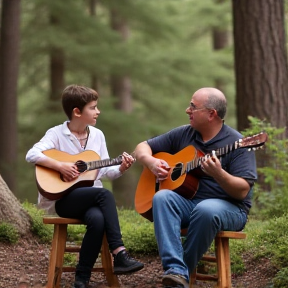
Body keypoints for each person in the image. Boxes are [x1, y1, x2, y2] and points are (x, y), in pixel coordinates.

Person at [134, 87, 257, 288]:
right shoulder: (184, 133)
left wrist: (219, 174)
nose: (187, 110)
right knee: (161, 197)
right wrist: (150, 162)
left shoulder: (238, 143)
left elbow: (242, 190)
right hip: (190, 203)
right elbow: (142, 147)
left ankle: (178, 275)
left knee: (206, 209)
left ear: (211, 114)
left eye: (193, 106)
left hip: (230, 209)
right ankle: (175, 270)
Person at [26, 84, 144, 288]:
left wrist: (122, 168)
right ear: (77, 112)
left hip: (89, 198)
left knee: (97, 220)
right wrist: (61, 166)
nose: (98, 111)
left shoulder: (98, 135)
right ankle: (120, 253)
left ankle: (81, 279)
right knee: (105, 195)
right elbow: (32, 154)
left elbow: (106, 171)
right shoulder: (56, 134)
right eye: (93, 107)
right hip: (62, 199)